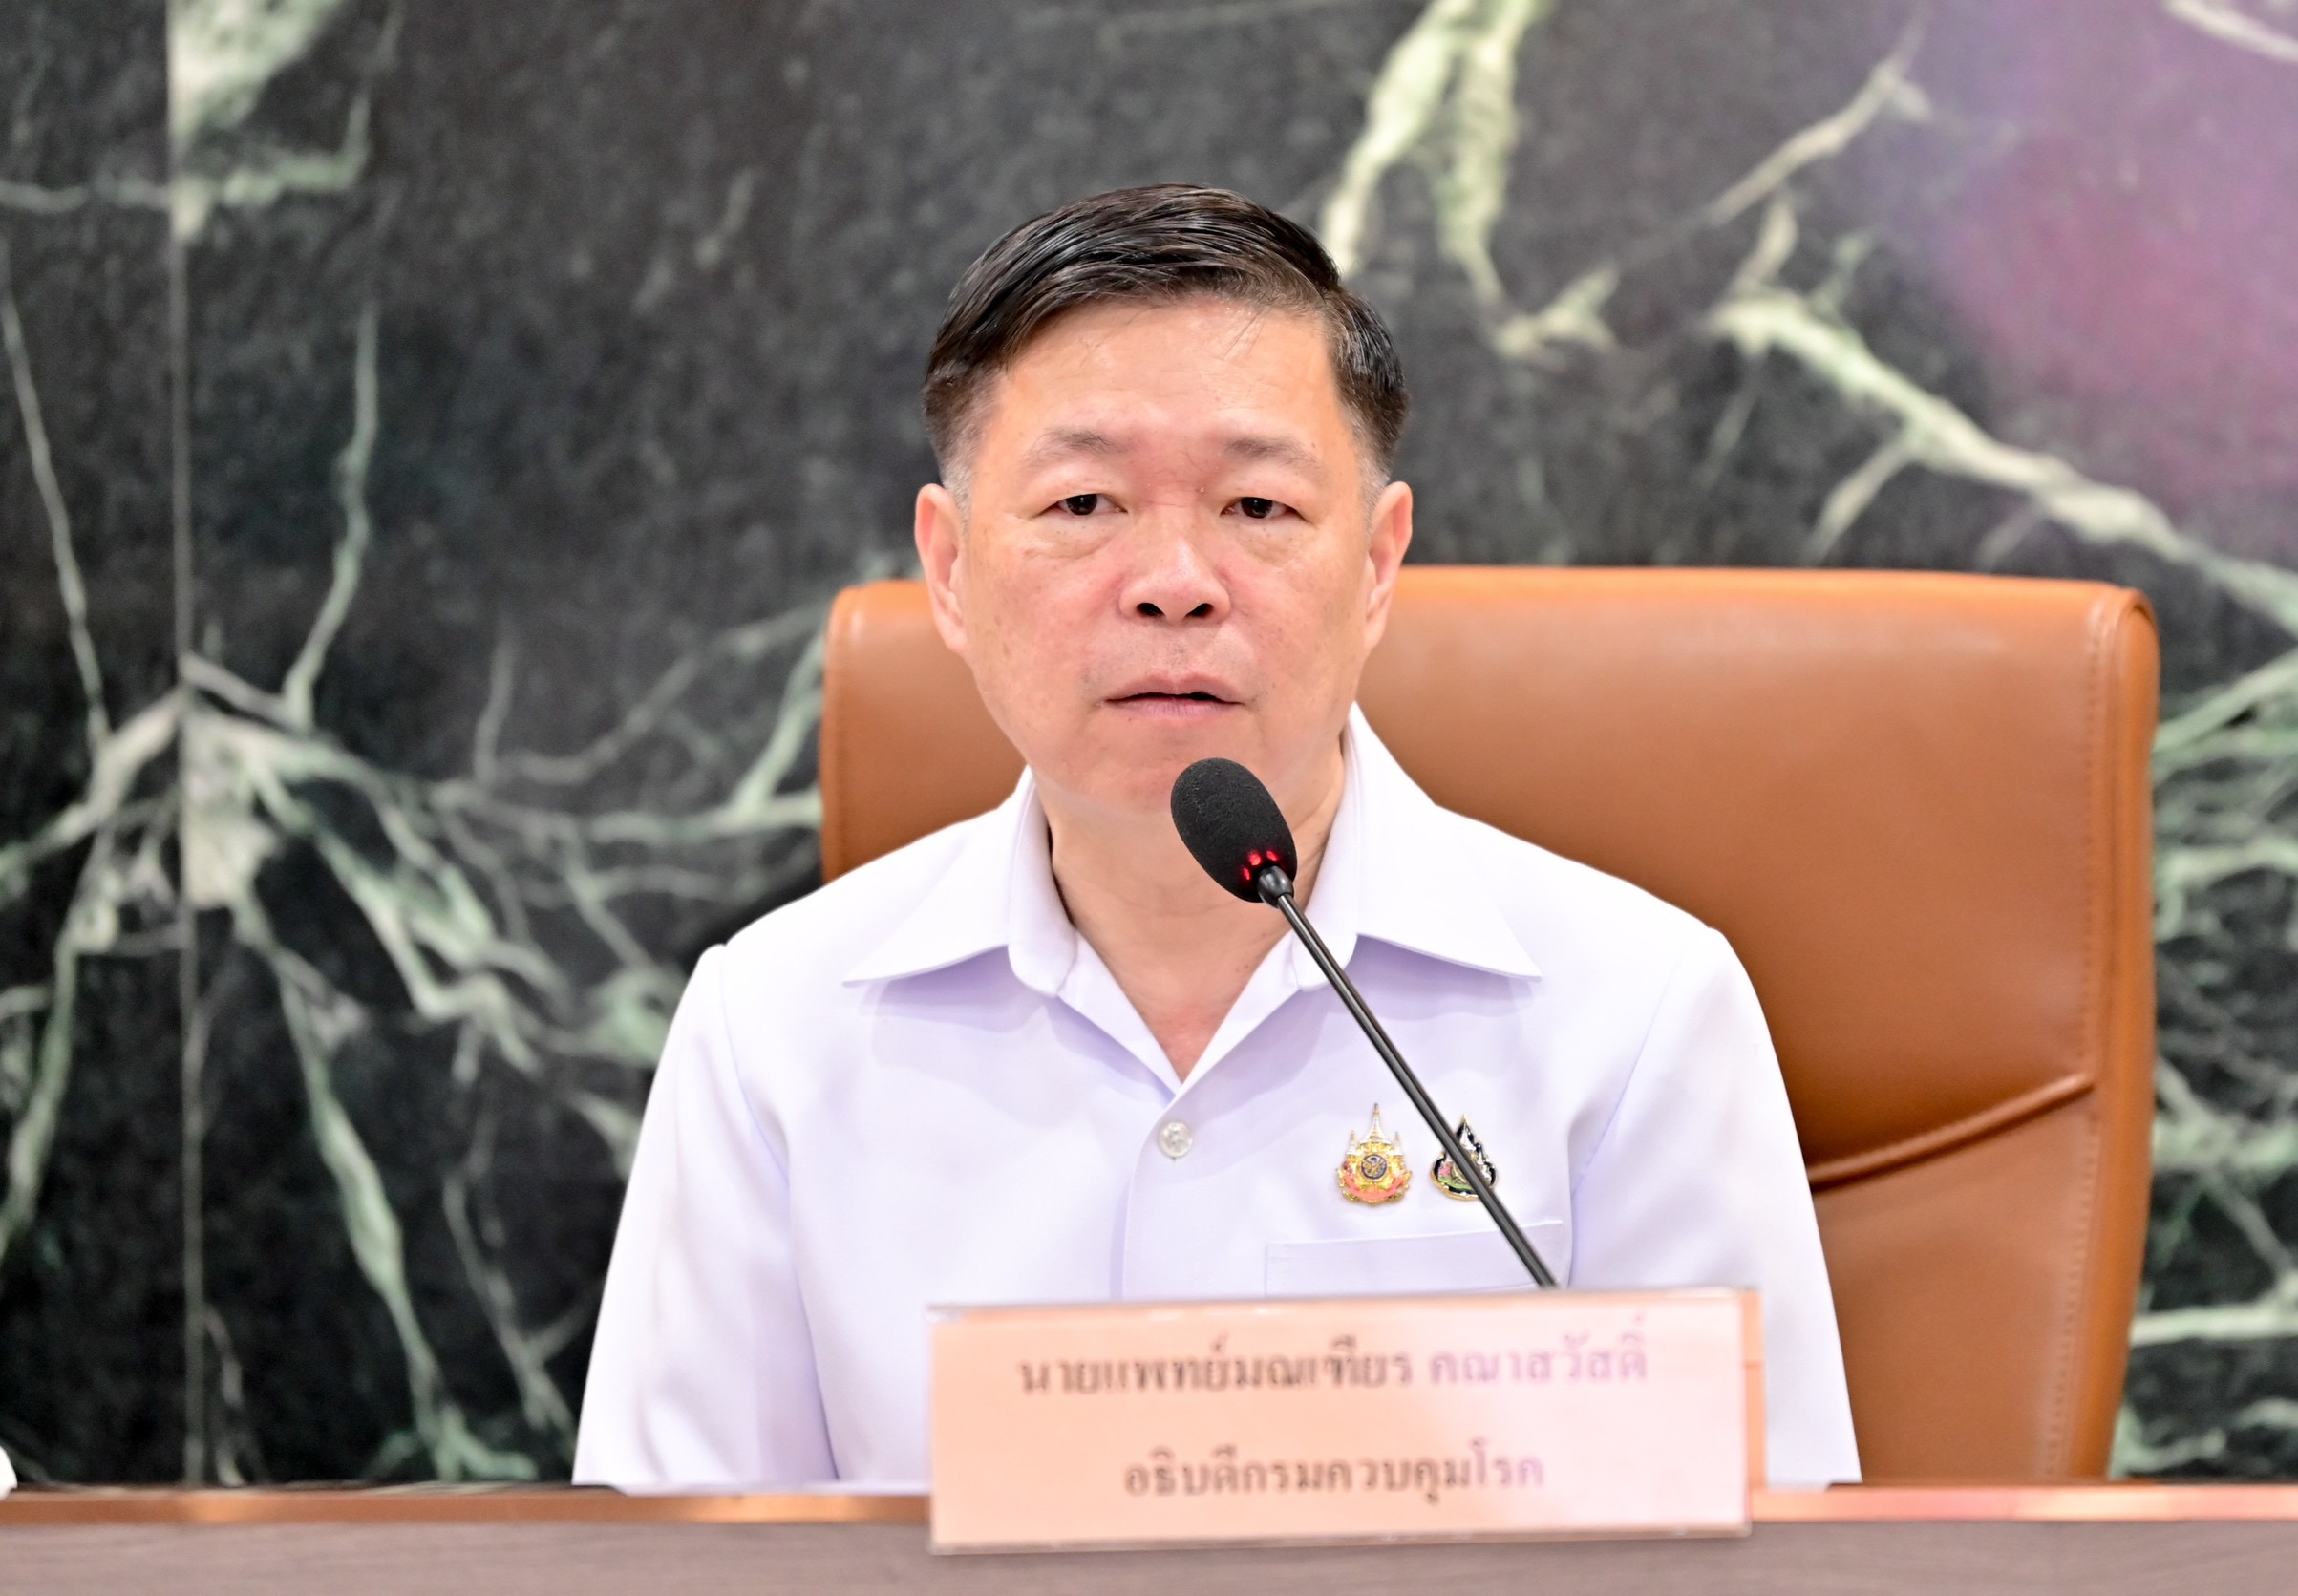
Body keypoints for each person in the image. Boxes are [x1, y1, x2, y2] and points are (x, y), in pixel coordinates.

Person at [574, 185, 1858, 1490]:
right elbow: (674, 1559)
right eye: (1084, 504)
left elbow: (1777, 1550)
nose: (1173, 583)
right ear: (949, 570)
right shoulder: (773, 1030)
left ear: (1376, 564)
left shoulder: (1633, 1012)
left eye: (1256, 508)